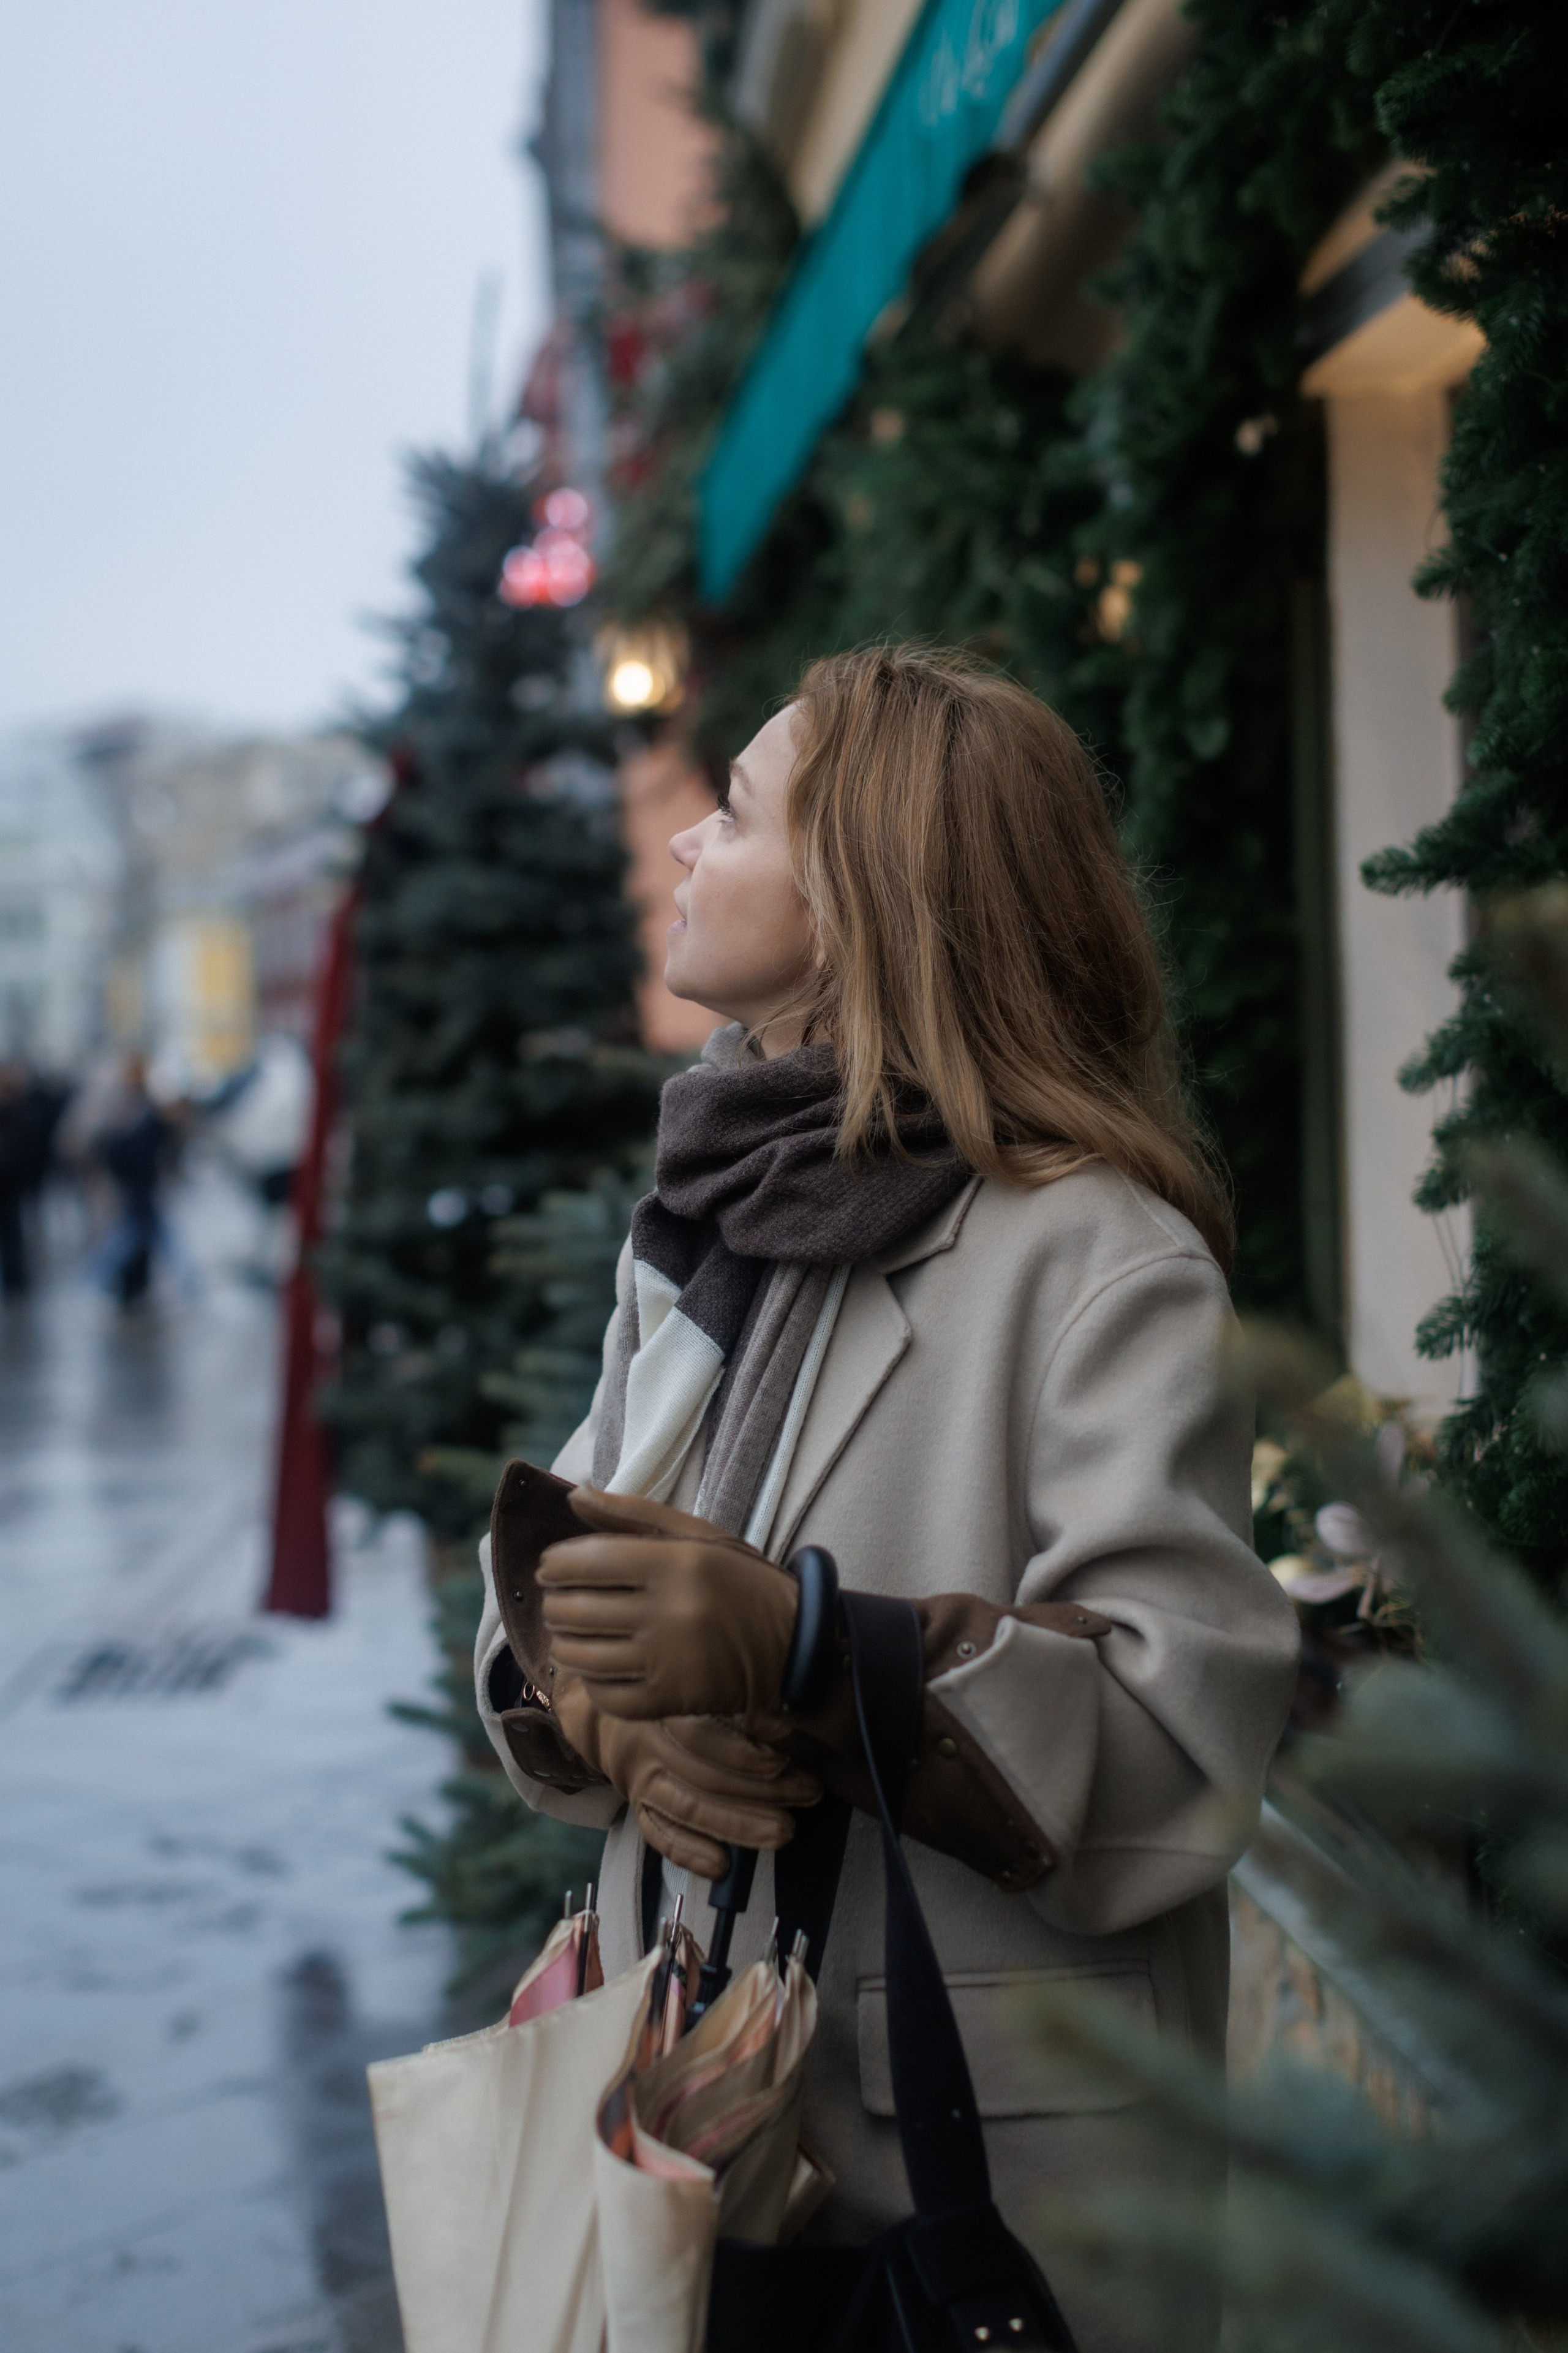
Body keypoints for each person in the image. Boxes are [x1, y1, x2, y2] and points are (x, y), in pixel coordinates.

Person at [474, 646, 1300, 2351]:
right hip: (695, 2111)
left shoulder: (1096, 1256)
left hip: (977, 2183)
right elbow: (546, 1588)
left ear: (857, 903)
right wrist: (611, 1720)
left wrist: (808, 1652)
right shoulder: (711, 1211)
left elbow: (1182, 1741)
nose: (686, 845)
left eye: (739, 812)